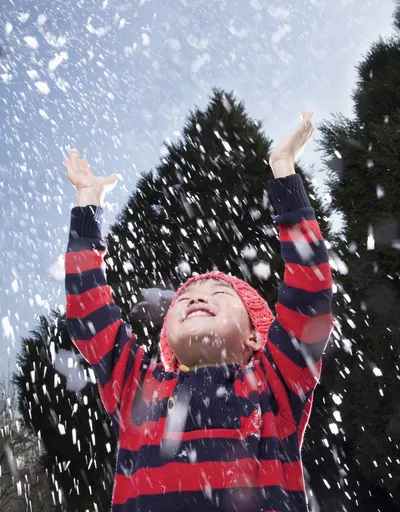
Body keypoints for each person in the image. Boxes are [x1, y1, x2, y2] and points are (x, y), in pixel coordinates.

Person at [64, 109, 333, 512]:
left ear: (254, 335)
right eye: (184, 297)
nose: (194, 296)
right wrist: (88, 206)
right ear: (167, 336)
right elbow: (89, 312)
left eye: (219, 292)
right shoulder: (138, 386)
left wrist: (284, 171)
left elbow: (308, 293)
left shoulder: (274, 383)